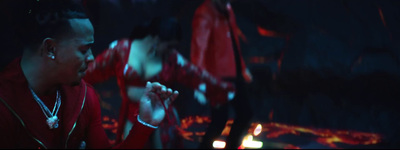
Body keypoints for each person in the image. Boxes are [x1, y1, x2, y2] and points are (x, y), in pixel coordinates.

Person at [0, 0, 179, 149]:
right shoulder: (5, 104)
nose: (91, 58)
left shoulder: (85, 96)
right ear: (50, 48)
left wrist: (145, 123)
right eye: (84, 49)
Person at [83, 16, 235, 149]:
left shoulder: (172, 58)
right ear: (156, 39)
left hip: (161, 115)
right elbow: (93, 70)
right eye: (169, 46)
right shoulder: (121, 49)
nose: (171, 50)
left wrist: (226, 89)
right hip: (130, 114)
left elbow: (196, 75)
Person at [190, 0, 254, 149]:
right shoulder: (205, 12)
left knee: (245, 113)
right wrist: (198, 82)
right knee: (219, 120)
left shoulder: (227, 9)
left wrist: (242, 68)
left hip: (233, 71)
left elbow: (233, 42)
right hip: (217, 76)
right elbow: (199, 48)